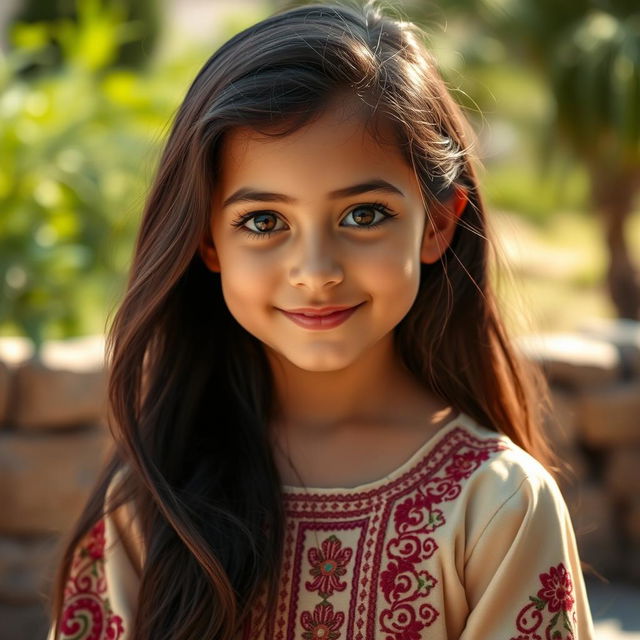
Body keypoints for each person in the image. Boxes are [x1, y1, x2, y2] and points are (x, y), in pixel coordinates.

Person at [46, 1, 596, 638]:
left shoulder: (497, 504)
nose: (315, 270)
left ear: (438, 223)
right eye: (263, 221)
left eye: (363, 215)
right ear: (208, 241)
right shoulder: (151, 497)